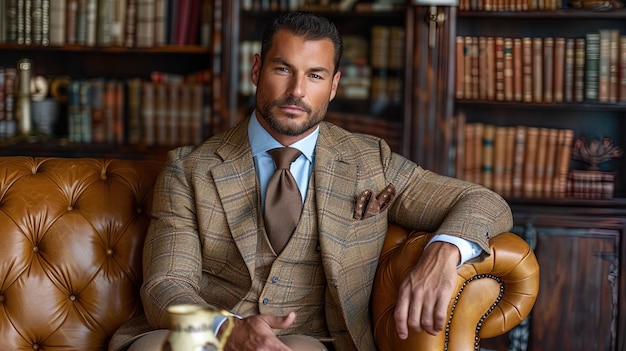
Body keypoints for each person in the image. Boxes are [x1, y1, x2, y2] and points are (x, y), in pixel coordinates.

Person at [109, 11, 512, 351]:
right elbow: (166, 284)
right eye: (282, 69)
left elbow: (484, 202)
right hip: (205, 337)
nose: (296, 91)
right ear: (256, 69)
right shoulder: (189, 169)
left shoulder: (370, 161)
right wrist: (226, 329)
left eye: (315, 75)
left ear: (333, 85)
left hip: (308, 337)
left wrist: (442, 254)